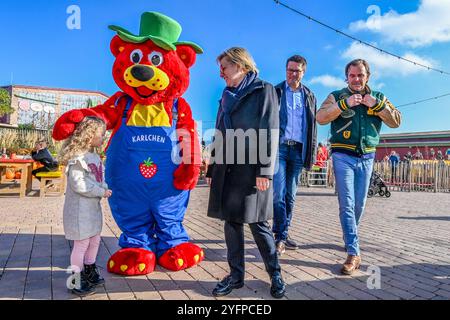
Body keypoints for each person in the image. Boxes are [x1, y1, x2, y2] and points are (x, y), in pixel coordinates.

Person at [206, 47, 285, 298]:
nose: (221, 74)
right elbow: (220, 131)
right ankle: (236, 276)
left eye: (224, 68)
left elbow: (269, 129)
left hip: (253, 168)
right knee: (232, 222)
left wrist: (265, 171)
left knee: (258, 223)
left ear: (241, 65)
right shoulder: (226, 94)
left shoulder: (264, 90)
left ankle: (275, 274)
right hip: (228, 167)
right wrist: (212, 167)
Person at [316, 59, 401, 275]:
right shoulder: (336, 96)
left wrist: (378, 106)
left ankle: (349, 235)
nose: (356, 79)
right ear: (347, 77)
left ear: (367, 77)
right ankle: (354, 253)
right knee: (347, 203)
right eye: (352, 75)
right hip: (342, 155)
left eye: (360, 75)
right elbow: (320, 117)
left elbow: (396, 121)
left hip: (367, 157)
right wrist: (343, 105)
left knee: (359, 205)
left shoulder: (378, 97)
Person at [58, 117, 112, 296]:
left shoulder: (95, 156)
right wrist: (100, 191)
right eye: (100, 134)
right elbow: (79, 184)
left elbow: (99, 178)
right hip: (80, 210)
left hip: (92, 209)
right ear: (89, 135)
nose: (103, 137)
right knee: (81, 244)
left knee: (95, 240)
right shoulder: (77, 158)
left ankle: (89, 270)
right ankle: (75, 278)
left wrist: (104, 187)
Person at [272, 55, 318, 255]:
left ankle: (284, 232)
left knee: (290, 196)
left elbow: (313, 128)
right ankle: (280, 236)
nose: (292, 74)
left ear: (303, 72)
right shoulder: (275, 91)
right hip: (279, 149)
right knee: (278, 195)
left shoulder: (310, 96)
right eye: (289, 70)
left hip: (299, 150)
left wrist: (312, 154)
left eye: (296, 71)